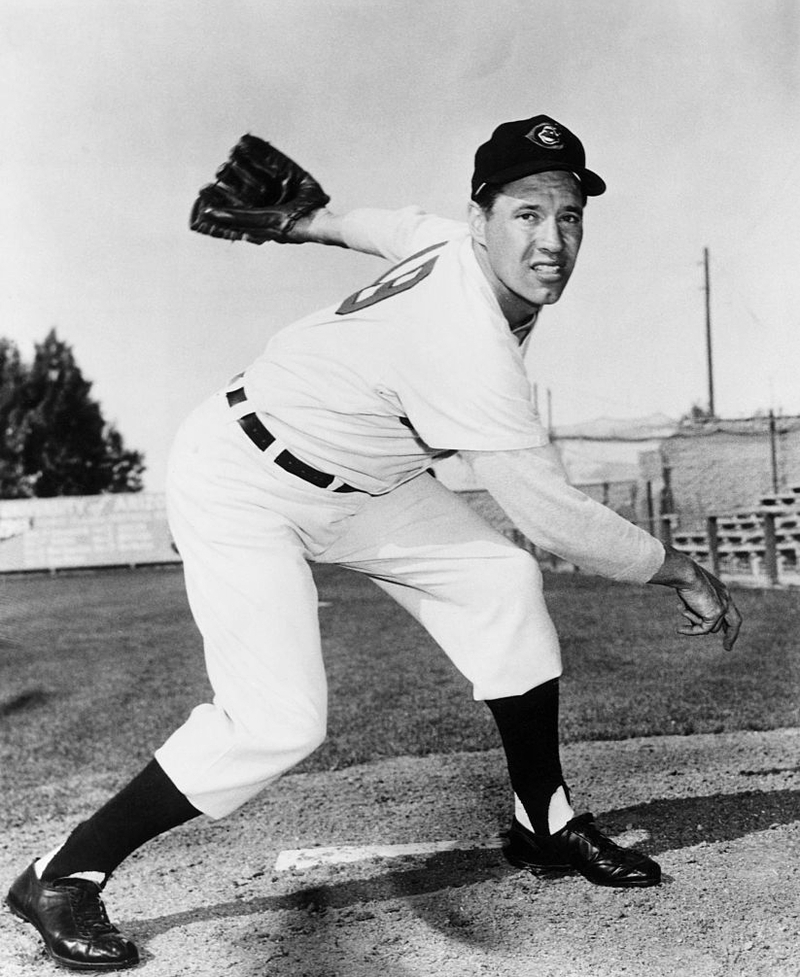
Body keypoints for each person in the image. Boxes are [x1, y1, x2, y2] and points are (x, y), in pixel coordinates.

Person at [6, 114, 741, 971]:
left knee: (499, 582)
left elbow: (381, 226)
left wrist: (307, 222)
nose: (552, 239)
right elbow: (553, 517)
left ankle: (542, 821)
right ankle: (63, 872)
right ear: (481, 220)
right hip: (244, 477)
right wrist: (681, 569)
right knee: (277, 718)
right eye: (527, 214)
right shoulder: (468, 340)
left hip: (370, 485)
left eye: (569, 215)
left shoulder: (446, 240)